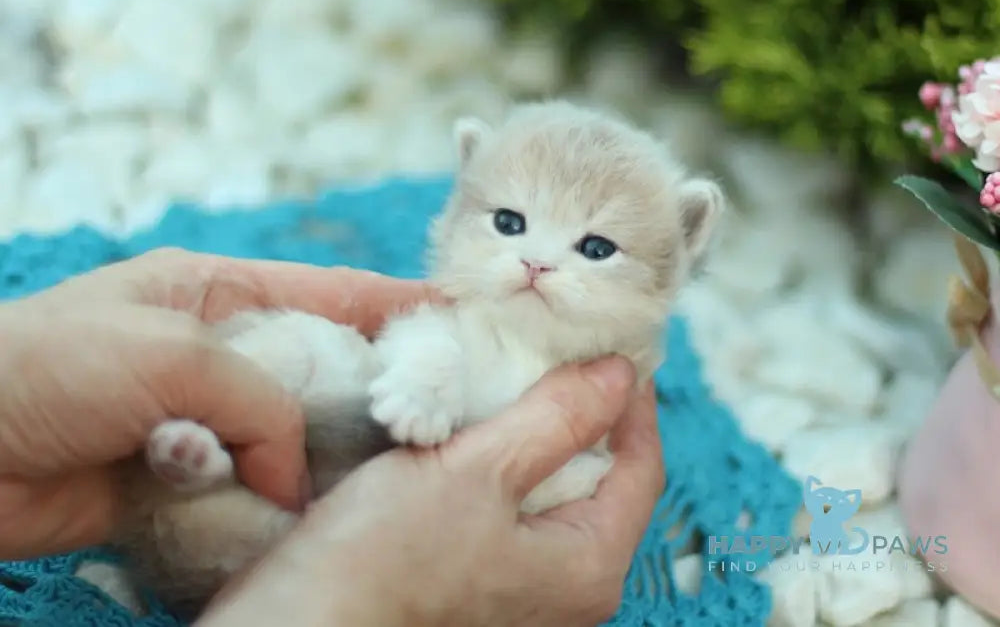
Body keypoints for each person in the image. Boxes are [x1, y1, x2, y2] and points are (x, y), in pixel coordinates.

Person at [0, 247, 665, 626]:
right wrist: (362, 594)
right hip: (311, 462)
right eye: (510, 224)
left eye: (596, 247)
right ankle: (204, 477)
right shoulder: (459, 326)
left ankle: (202, 480)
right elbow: (417, 347)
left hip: (290, 478)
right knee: (303, 354)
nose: (536, 261)